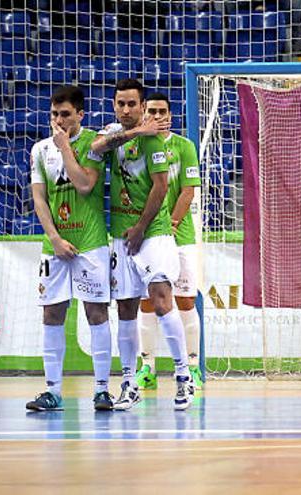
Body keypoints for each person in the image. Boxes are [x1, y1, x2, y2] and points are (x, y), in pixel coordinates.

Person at [90, 78, 194, 411]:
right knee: (125, 309)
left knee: (163, 300)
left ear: (142, 105)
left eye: (132, 104)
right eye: (120, 103)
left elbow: (161, 187)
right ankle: (129, 383)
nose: (125, 109)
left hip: (153, 233)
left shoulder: (156, 144)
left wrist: (140, 228)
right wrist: (135, 132)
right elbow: (95, 148)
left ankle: (183, 376)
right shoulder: (118, 134)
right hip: (121, 235)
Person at [26, 86, 114, 412]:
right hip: (56, 246)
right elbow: (39, 198)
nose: (59, 120)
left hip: (91, 243)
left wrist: (65, 148)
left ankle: (102, 390)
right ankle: (52, 391)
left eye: (65, 114)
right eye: (54, 114)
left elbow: (85, 184)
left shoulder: (94, 144)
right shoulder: (39, 150)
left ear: (80, 114)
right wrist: (54, 239)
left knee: (96, 312)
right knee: (52, 313)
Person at [134, 93, 204, 391]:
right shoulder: (135, 146)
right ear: (143, 114)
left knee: (186, 299)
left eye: (163, 111)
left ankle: (192, 367)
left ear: (171, 116)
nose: (158, 116)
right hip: (148, 236)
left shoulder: (184, 146)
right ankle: (147, 367)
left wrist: (172, 223)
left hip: (180, 235)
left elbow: (188, 191)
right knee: (146, 302)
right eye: (152, 111)